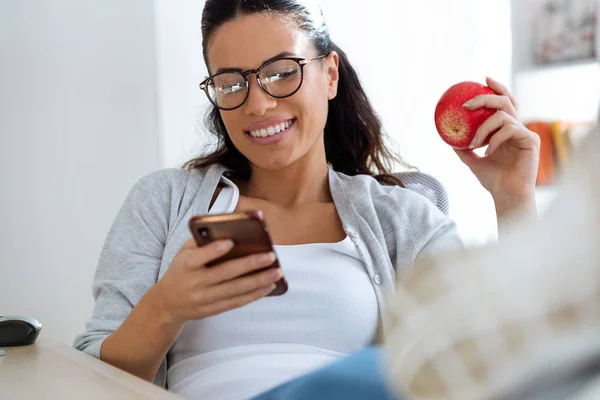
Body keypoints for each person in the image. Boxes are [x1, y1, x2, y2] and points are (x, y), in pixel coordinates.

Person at [73, 1, 540, 399]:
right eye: (232, 84)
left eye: (281, 73)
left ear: (330, 74)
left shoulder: (403, 218)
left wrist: (513, 200)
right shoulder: (163, 200)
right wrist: (165, 307)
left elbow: (496, 363)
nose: (258, 105)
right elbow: (90, 380)